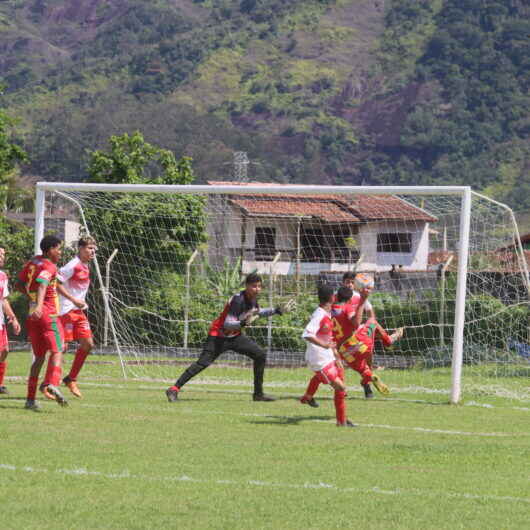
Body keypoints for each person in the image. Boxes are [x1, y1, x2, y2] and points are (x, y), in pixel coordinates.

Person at [166, 273, 292, 402]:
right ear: (247, 286)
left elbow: (258, 312)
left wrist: (276, 310)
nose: (257, 289)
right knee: (202, 363)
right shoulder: (238, 300)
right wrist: (243, 323)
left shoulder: (253, 299)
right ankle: (174, 389)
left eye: (259, 286)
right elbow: (227, 324)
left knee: (260, 355)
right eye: (254, 286)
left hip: (235, 337)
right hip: (218, 337)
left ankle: (258, 394)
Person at [17, 235, 85, 410]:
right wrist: (40, 305)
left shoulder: (33, 262)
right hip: (48, 315)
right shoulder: (49, 265)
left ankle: (30, 399)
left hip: (33, 315)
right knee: (58, 349)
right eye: (58, 249)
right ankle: (53, 383)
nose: (60, 252)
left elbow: (19, 284)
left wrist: (32, 302)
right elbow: (41, 284)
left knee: (39, 357)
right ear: (49, 250)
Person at [299, 284, 355, 428]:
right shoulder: (319, 314)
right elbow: (307, 334)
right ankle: (341, 421)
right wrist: (324, 346)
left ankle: (340, 420)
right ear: (332, 297)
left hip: (328, 356)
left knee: (340, 381)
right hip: (318, 360)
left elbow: (327, 336)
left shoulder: (327, 312)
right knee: (341, 388)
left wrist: (335, 354)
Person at [58, 236, 97, 398]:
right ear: (80, 249)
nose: (93, 252)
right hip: (66, 311)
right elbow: (56, 282)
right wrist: (73, 300)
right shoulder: (72, 265)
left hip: (78, 312)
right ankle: (50, 383)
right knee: (61, 348)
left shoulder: (86, 266)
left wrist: (79, 302)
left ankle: (70, 378)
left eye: (94, 249)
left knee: (88, 344)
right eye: (89, 248)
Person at [0, 247, 21, 394]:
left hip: (0, 320)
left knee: (5, 350)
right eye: (0, 254)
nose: (2, 257)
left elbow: (4, 300)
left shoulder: (2, 276)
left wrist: (13, 318)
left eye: (3, 255)